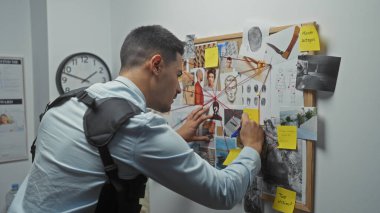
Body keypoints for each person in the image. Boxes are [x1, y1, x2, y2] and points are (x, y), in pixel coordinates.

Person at [9, 25, 264, 212]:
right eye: (177, 75)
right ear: (155, 65)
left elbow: (106, 151)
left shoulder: (70, 101)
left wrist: (173, 137)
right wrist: (252, 148)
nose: (179, 88)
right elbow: (223, 193)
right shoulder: (138, 128)